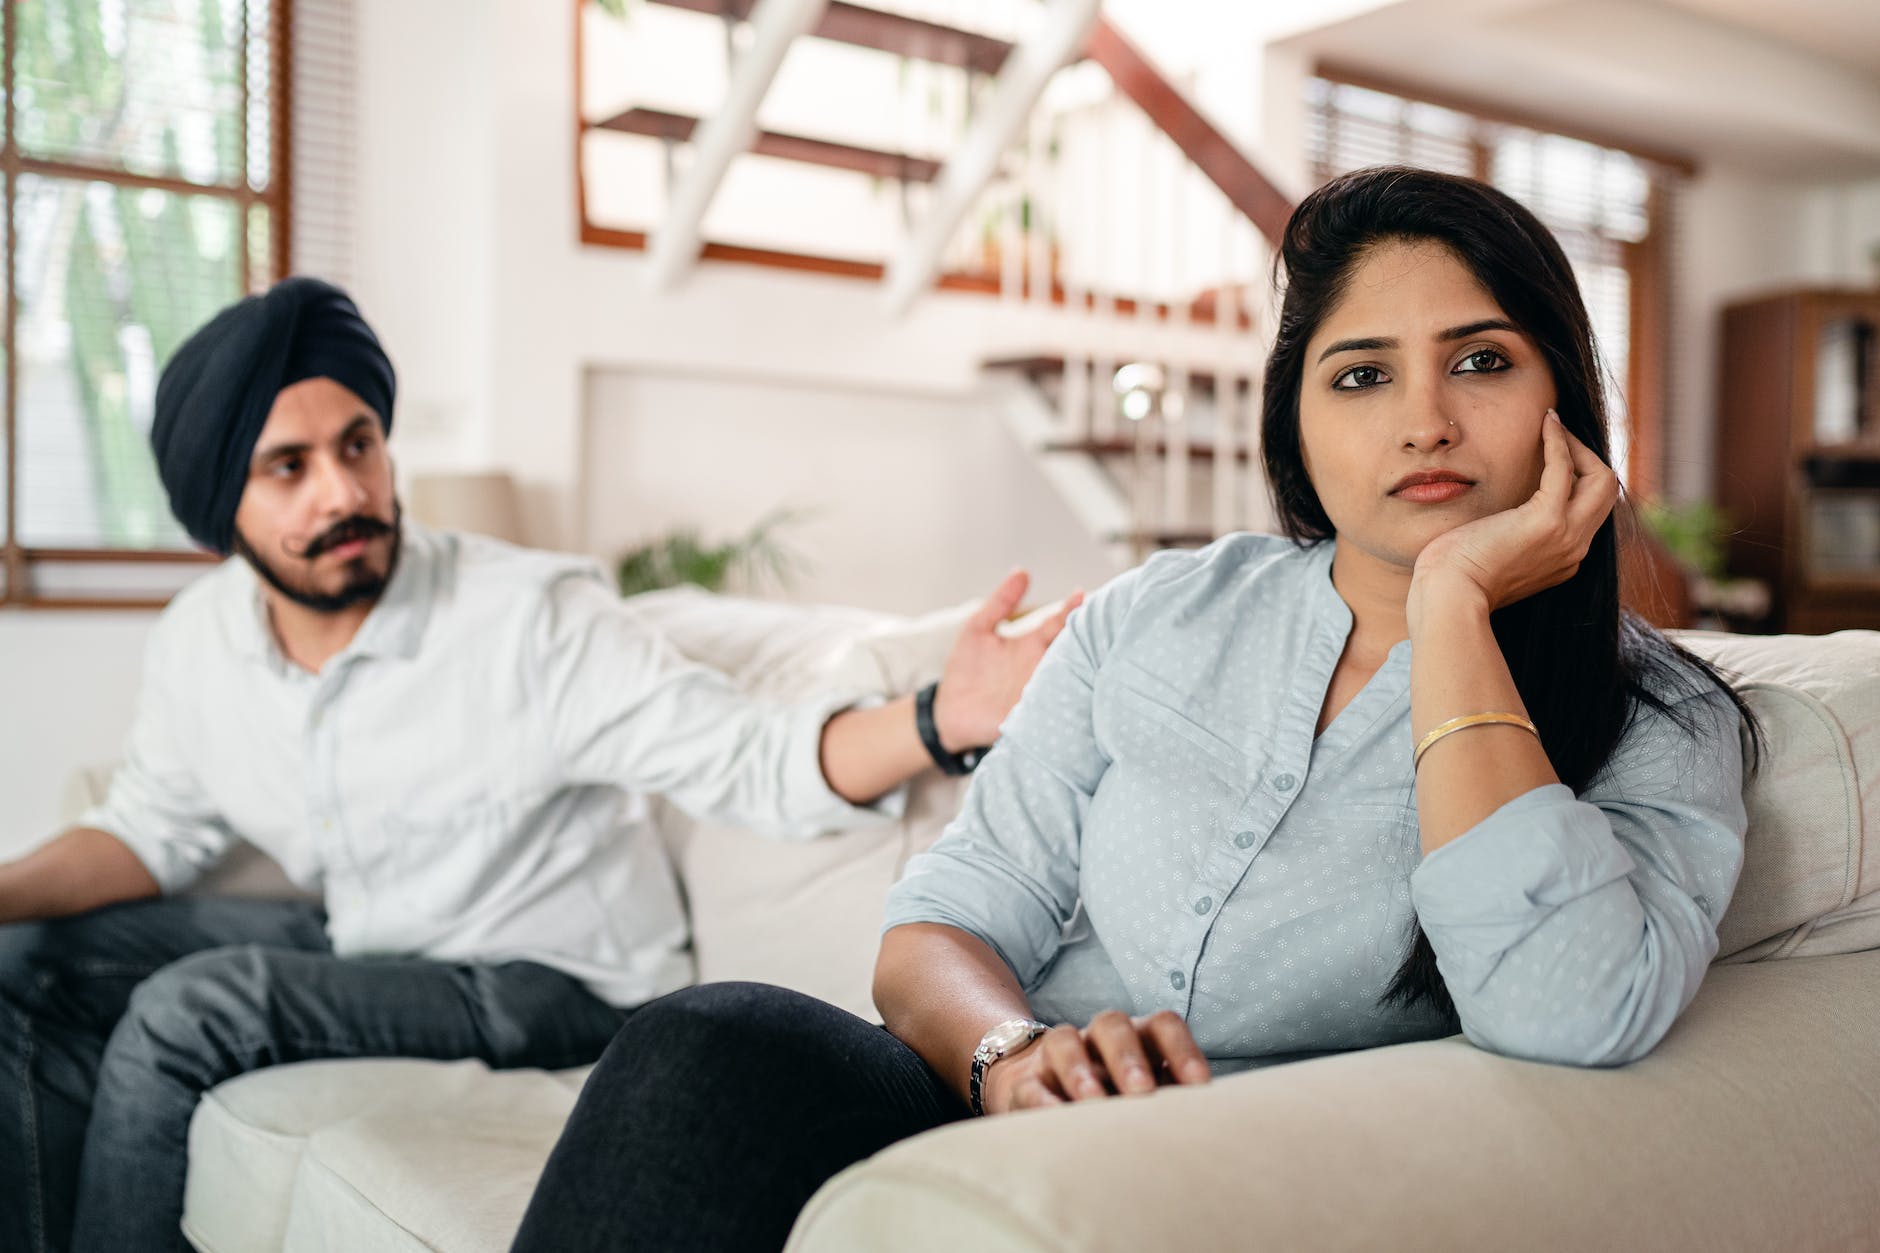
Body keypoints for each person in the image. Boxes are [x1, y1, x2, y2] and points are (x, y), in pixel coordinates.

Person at [509, 165, 1763, 1253]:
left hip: (1223, 1173)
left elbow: (1566, 1006)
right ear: (1298, 423)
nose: (1422, 420)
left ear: (1565, 401)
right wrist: (1008, 1057)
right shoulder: (1157, 611)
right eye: (1360, 374)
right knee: (706, 1041)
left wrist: (1450, 607)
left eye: (1480, 360)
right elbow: (942, 920)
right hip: (995, 1096)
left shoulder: (1654, 718)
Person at [0, 276, 1079, 1253]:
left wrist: (943, 714)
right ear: (218, 509)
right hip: (377, 934)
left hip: (556, 978)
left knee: (192, 1010)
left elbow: (749, 757)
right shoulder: (201, 643)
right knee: (26, 961)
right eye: (290, 466)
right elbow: (149, 826)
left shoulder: (528, 619)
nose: (343, 490)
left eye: (359, 442)